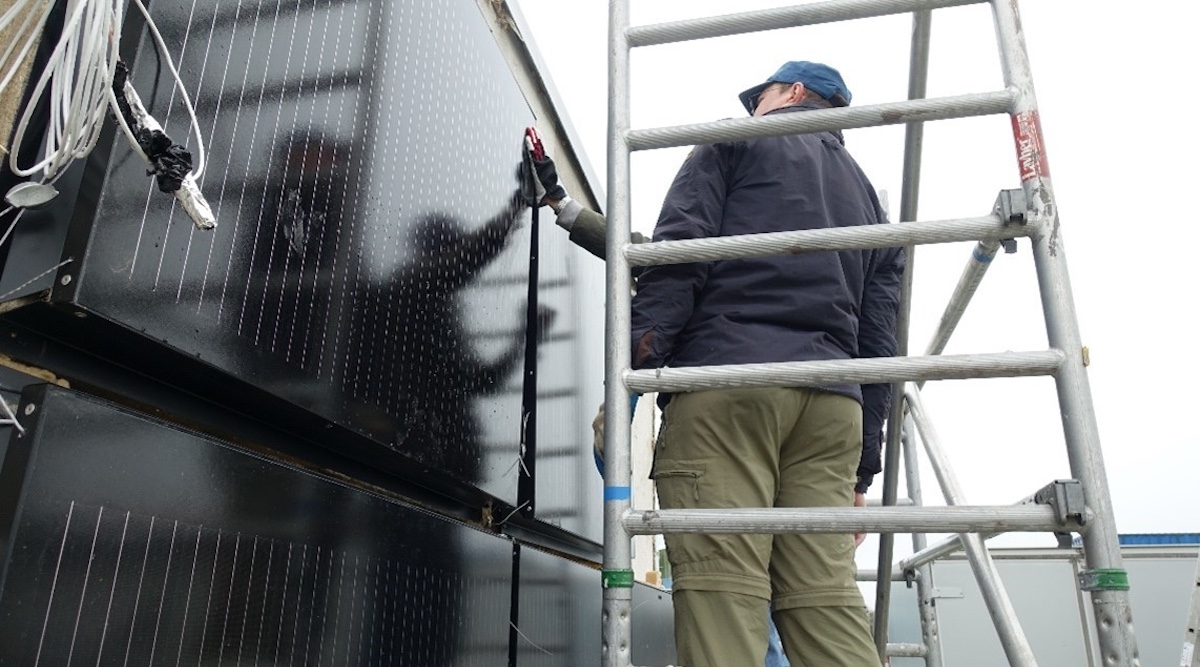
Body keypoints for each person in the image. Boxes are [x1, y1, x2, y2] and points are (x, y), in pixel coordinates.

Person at [614, 61, 902, 667]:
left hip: (731, 387)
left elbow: (680, 259)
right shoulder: (873, 205)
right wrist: (861, 476)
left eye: (762, 95)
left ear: (793, 93)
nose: (754, 109)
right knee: (825, 600)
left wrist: (631, 383)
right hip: (831, 410)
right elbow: (880, 343)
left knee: (725, 595)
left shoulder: (737, 141)